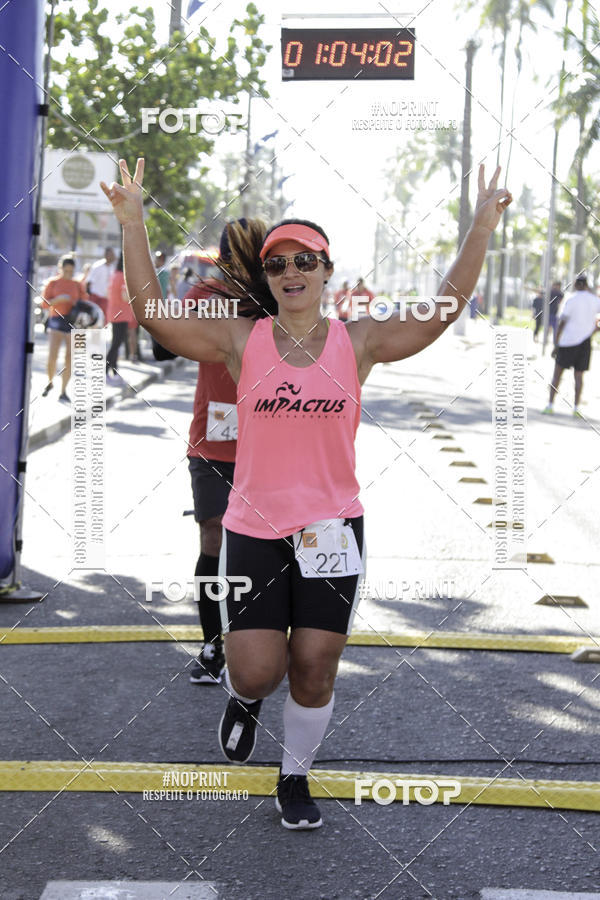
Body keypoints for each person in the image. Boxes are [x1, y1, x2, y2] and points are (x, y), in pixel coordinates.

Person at [101, 158, 511, 831]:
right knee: (259, 671)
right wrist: (134, 223)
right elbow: (152, 314)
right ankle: (244, 699)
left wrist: (480, 228)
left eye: (306, 260)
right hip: (256, 531)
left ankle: (294, 777)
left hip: (331, 532)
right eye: (278, 263)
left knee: (316, 666)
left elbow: (441, 311)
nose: (291, 271)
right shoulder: (241, 340)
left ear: (326, 271)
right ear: (267, 278)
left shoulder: (361, 341)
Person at [185, 218, 269, 685]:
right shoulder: (204, 296)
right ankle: (212, 644)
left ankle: (260, 643)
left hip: (272, 439)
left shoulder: (279, 297)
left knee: (263, 547)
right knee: (213, 537)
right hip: (213, 441)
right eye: (235, 256)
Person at [543, 275, 600, 417]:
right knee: (579, 376)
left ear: (575, 285)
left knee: (557, 375)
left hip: (567, 342)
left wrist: (556, 343)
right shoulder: (595, 300)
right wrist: (593, 331)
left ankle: (550, 405)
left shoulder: (570, 299)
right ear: (586, 285)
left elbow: (562, 322)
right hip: (585, 342)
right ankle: (576, 408)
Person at [41, 255, 87, 402]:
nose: (68, 274)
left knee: (69, 358)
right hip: (56, 320)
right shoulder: (53, 283)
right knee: (52, 356)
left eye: (71, 271)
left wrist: (74, 301)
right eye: (66, 271)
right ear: (60, 269)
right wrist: (58, 300)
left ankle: (64, 390)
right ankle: (50, 382)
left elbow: (84, 302)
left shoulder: (77, 284)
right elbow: (44, 304)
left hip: (73, 322)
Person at [106, 253, 137, 379]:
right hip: (122, 314)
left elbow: (108, 293)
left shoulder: (114, 275)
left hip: (113, 312)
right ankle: (106, 369)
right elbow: (125, 296)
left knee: (116, 342)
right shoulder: (124, 278)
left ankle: (114, 369)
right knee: (116, 344)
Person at [87, 247, 116, 320]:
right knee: (94, 320)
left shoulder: (112, 267)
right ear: (106, 255)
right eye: (111, 254)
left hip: (105, 299)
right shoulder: (97, 266)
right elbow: (89, 282)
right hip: (95, 298)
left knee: (104, 321)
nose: (113, 256)